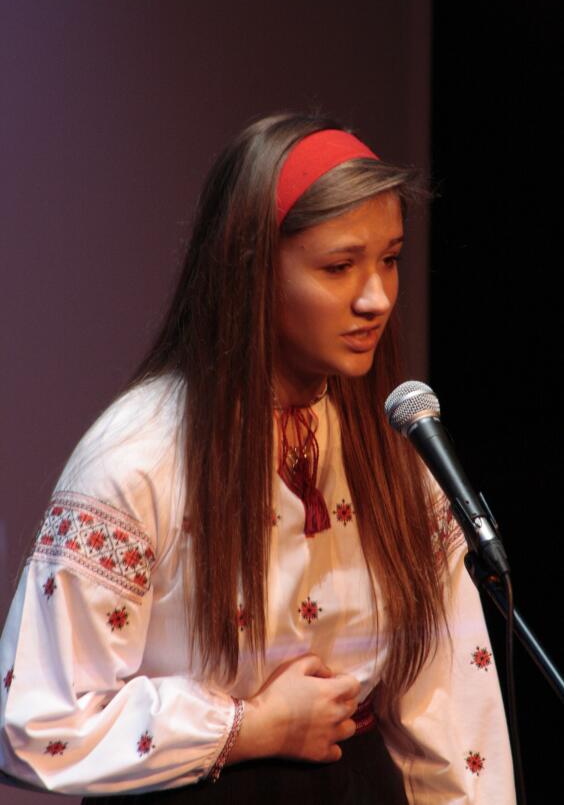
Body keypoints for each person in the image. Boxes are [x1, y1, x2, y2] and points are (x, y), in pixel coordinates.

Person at [0, 113, 516, 803]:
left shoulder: (391, 450)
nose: (376, 298)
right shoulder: (141, 458)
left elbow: (450, 716)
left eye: (389, 260)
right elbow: (36, 725)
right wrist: (245, 726)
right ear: (251, 271)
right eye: (339, 267)